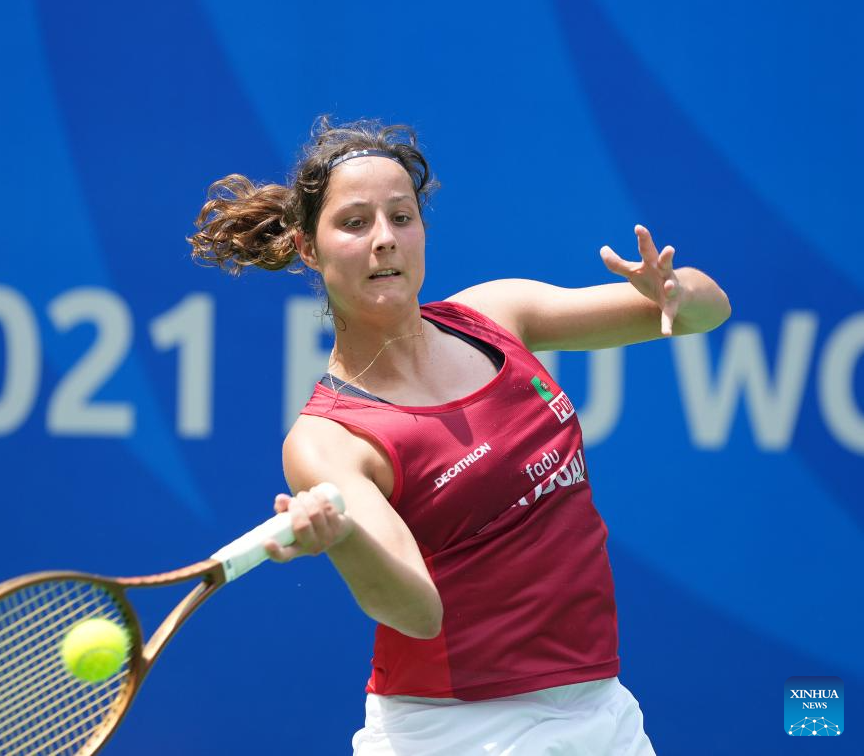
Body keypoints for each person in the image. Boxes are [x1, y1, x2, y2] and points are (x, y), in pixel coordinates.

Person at [189, 117, 730, 755]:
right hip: (459, 730)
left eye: (401, 217)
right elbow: (416, 612)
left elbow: (704, 313)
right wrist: (343, 539)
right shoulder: (329, 439)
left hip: (602, 706)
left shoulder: (497, 314)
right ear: (308, 248)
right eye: (355, 223)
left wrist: (675, 290)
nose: (385, 240)